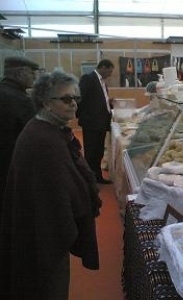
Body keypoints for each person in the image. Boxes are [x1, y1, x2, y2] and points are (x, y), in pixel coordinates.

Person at [0, 70, 102, 299]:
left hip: (43, 233)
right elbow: (55, 195)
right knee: (48, 287)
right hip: (44, 237)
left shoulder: (46, 130)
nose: (74, 104)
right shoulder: (43, 139)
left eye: (76, 99)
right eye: (66, 99)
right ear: (46, 102)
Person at [0, 56, 39, 208]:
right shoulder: (20, 99)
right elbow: (34, 135)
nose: (34, 78)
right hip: (14, 162)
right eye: (32, 73)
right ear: (21, 72)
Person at [77, 59, 115, 184]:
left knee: (98, 152)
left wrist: (108, 103)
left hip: (101, 122)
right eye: (109, 71)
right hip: (91, 123)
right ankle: (89, 180)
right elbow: (80, 99)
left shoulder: (102, 81)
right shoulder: (88, 78)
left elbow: (98, 99)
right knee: (91, 152)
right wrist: (84, 117)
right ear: (103, 67)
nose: (110, 74)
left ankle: (97, 176)